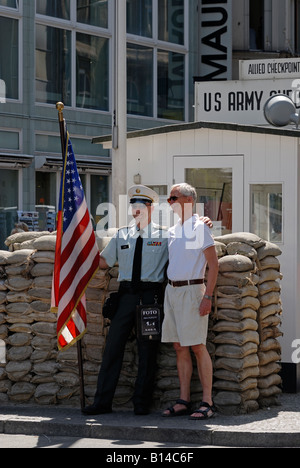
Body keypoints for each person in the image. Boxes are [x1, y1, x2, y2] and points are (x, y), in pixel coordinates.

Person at [83, 185, 169, 416]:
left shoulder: (165, 235)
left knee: (147, 352)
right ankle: (102, 402)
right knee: (112, 349)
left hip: (150, 298)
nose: (136, 210)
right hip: (126, 297)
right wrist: (81, 248)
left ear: (151, 208)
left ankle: (141, 403)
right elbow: (104, 262)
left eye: (141, 206)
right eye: (133, 206)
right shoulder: (122, 235)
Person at [162, 183, 219, 420]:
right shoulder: (174, 229)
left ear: (187, 200)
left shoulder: (200, 227)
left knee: (197, 346)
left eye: (173, 197)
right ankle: (184, 400)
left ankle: (207, 402)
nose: (170, 202)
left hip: (193, 290)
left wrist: (207, 296)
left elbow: (214, 264)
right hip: (172, 292)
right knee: (179, 346)